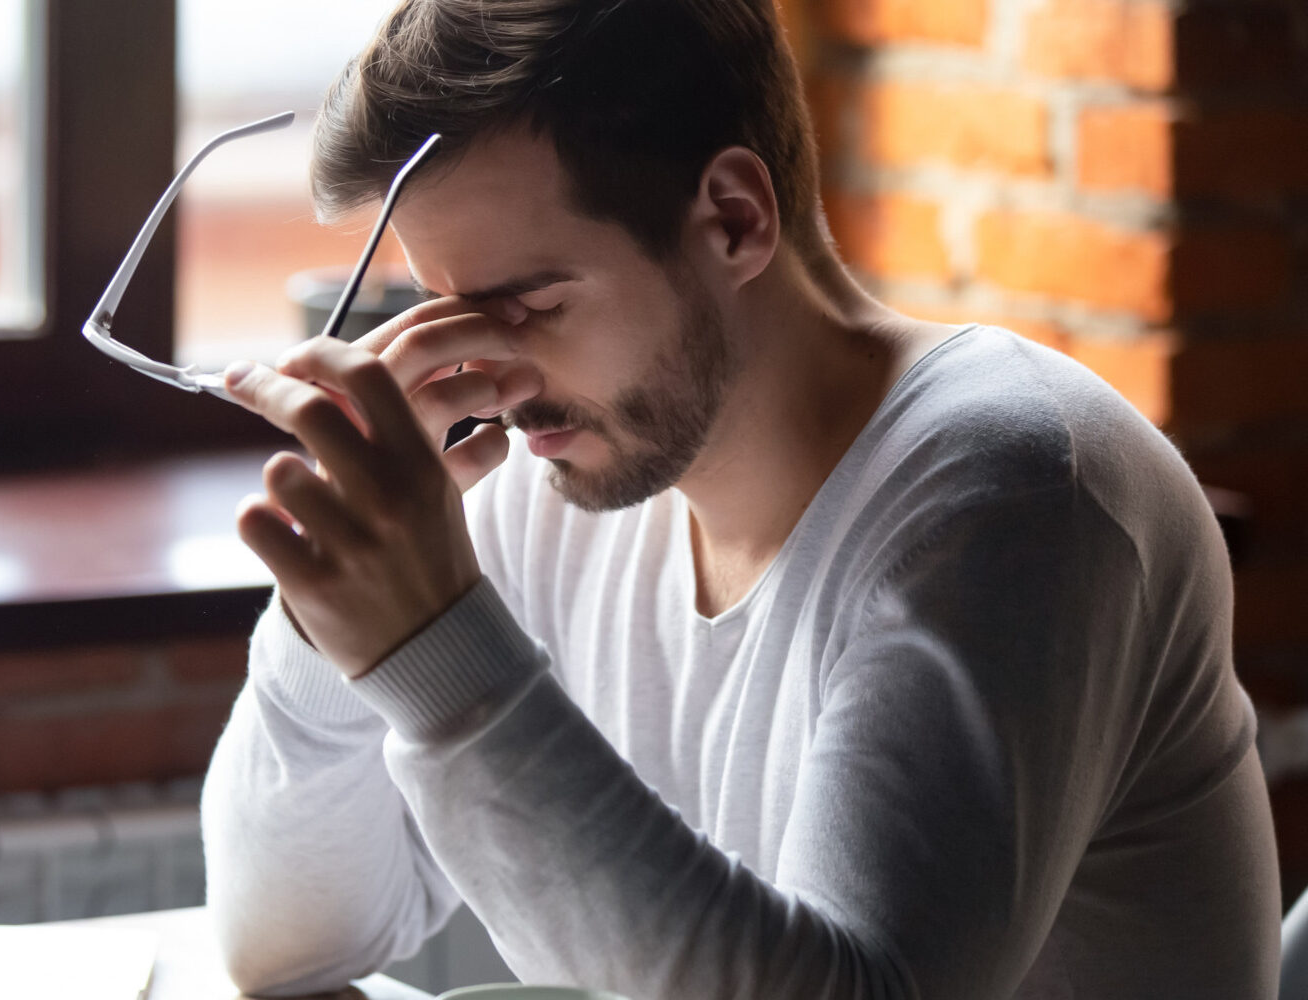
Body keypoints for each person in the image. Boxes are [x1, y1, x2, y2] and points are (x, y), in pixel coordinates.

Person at [197, 0, 1281, 997]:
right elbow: (288, 948)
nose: (490, 376)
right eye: (442, 310)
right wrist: (331, 619)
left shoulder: (1020, 495)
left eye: (524, 305)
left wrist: (441, 655)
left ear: (731, 219)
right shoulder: (555, 470)